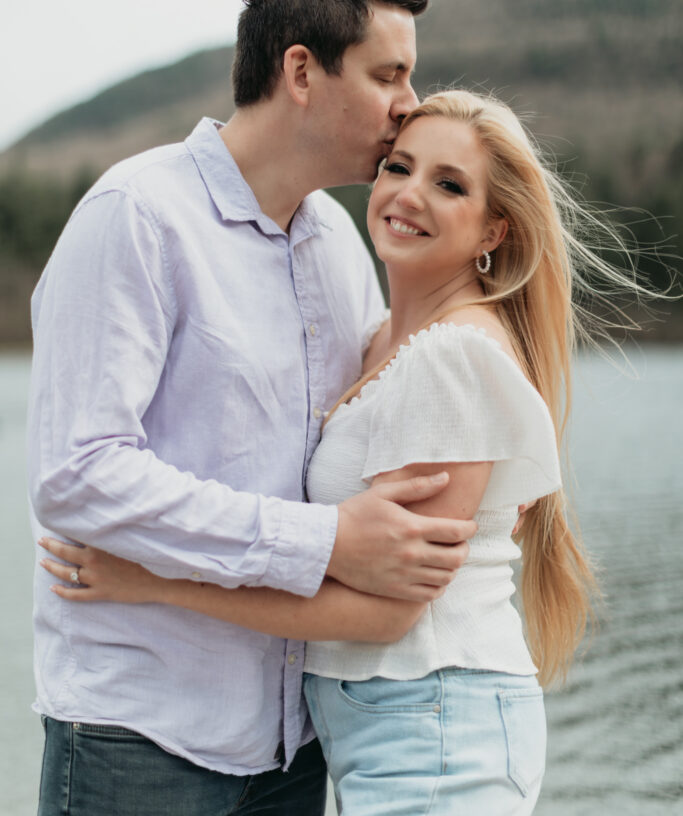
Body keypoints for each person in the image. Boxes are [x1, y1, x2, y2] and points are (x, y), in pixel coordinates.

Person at [44, 86, 652, 814]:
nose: (408, 194)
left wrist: (154, 581)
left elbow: (385, 614)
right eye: (398, 167)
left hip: (434, 734)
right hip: (386, 731)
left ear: (494, 231)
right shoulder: (382, 342)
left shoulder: (452, 357)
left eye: (448, 184)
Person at [27, 0, 483, 816]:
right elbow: (76, 474)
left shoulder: (338, 247)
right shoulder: (136, 216)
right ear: (302, 70)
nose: (408, 105)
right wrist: (321, 542)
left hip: (293, 748)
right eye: (389, 74)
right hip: (140, 740)